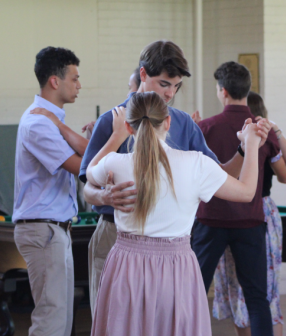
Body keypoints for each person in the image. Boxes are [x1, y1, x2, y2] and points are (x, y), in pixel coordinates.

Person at [79, 40, 269, 315]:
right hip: (116, 233)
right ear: (143, 75)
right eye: (164, 84)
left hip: (169, 242)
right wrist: (104, 196)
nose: (170, 93)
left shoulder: (183, 123)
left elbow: (221, 174)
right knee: (114, 320)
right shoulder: (115, 120)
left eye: (176, 86)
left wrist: (243, 149)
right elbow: (89, 187)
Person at [87, 92, 262, 335]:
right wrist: (250, 144)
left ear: (129, 126)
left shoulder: (115, 163)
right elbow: (246, 192)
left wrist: (116, 137)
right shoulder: (195, 163)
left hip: (126, 266)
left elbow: (89, 175)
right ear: (168, 122)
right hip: (176, 268)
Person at [193, 62, 286, 336]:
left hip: (211, 220)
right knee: (258, 298)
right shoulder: (262, 130)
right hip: (250, 220)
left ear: (222, 92)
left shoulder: (206, 127)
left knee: (196, 290)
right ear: (247, 90)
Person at [211, 91, 286, 336]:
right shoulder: (264, 139)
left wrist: (274, 133)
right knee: (263, 290)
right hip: (258, 211)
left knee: (243, 288)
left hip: (236, 212)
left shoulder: (228, 133)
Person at [12, 46, 82, 336]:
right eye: (74, 78)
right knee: (50, 321)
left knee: (62, 321)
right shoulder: (38, 122)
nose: (79, 85)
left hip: (56, 229)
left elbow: (86, 157)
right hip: (43, 229)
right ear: (55, 81)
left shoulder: (53, 120)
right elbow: (83, 167)